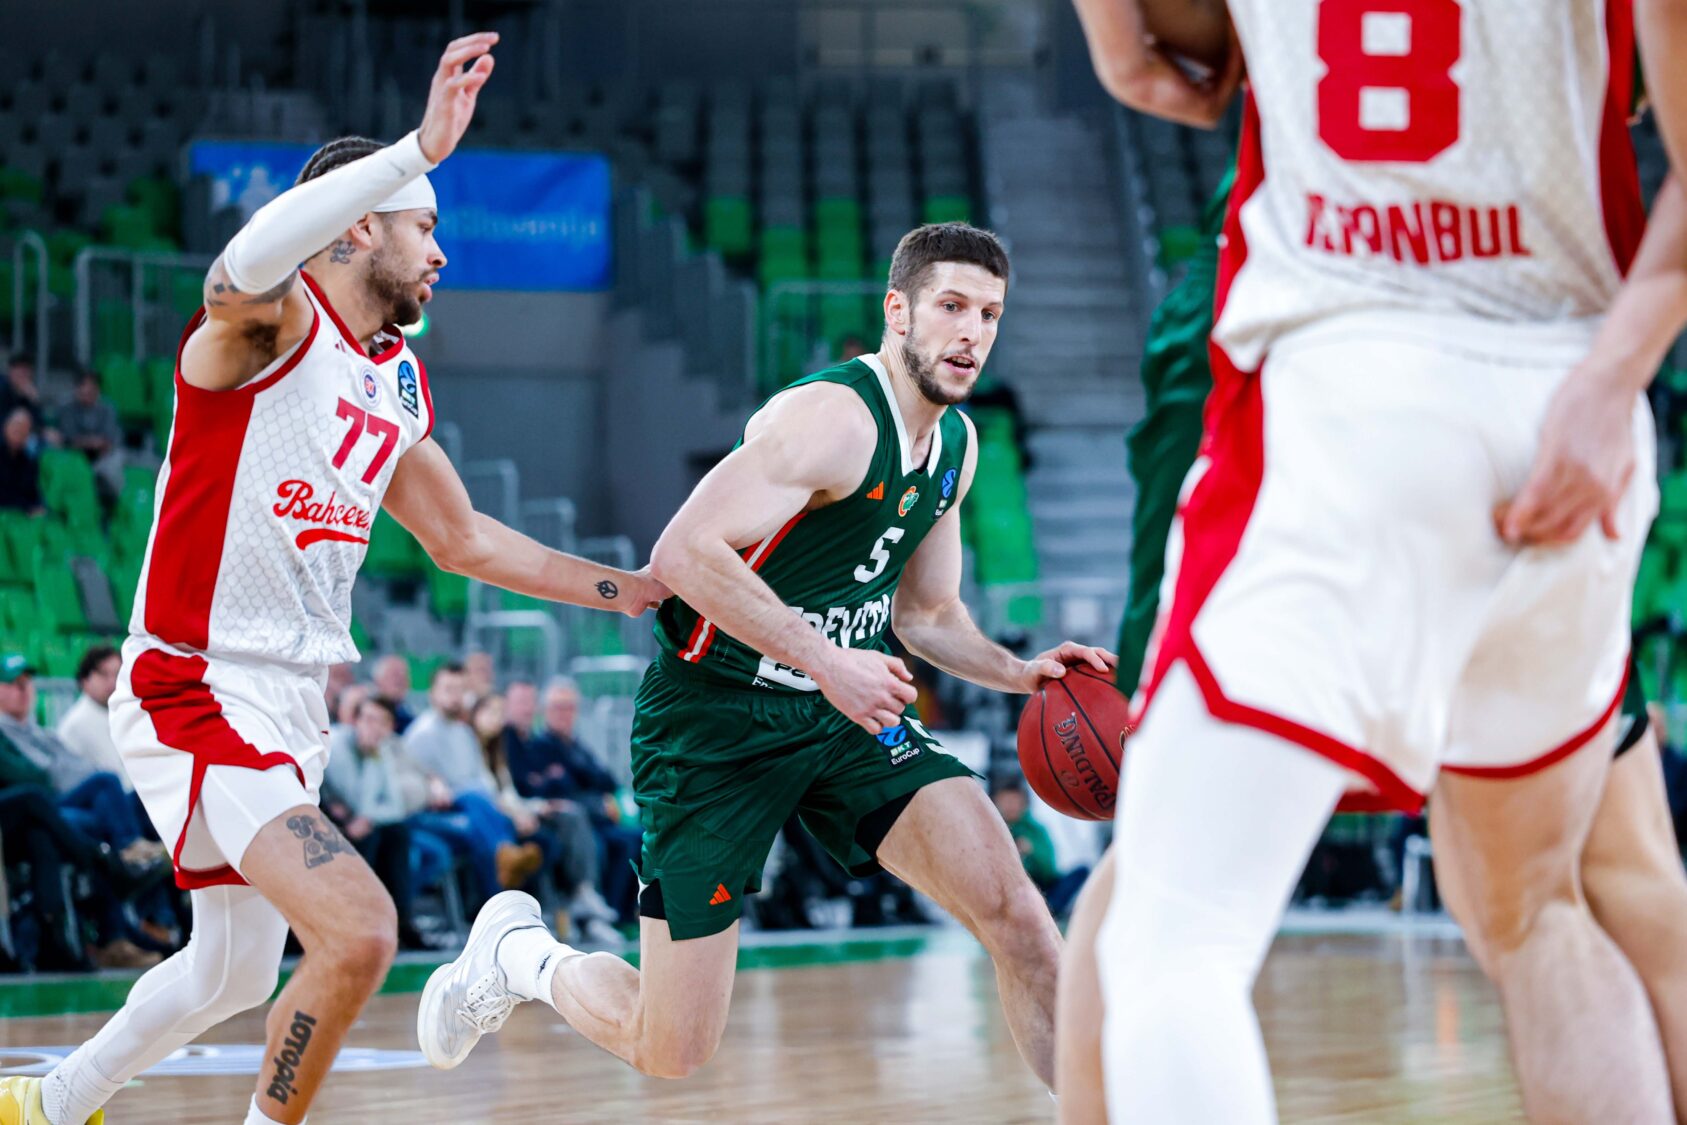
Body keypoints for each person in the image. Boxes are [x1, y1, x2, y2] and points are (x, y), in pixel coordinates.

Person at [0, 34, 668, 1125]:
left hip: (293, 703)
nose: (441, 252)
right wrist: (413, 149)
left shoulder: (395, 378)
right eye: (424, 224)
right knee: (358, 932)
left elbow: (464, 540)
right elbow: (240, 263)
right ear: (358, 225)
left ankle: (52, 1101)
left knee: (231, 971)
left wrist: (626, 588)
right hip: (198, 685)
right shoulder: (264, 328)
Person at [1065, 2, 1687, 1121]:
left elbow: (1171, 60)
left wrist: (1112, 32)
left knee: (1168, 931)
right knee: (1542, 910)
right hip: (1572, 407)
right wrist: (1611, 381)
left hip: (1352, 402)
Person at [419, 222, 1114, 1087]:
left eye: (989, 314)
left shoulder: (956, 447)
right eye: (950, 306)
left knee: (1020, 919)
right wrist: (829, 660)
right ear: (898, 311)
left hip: (842, 718)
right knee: (670, 1044)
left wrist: (1018, 672)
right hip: (714, 720)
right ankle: (520, 955)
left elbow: (927, 613)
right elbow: (682, 553)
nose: (971, 331)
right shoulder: (829, 419)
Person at [406, 663, 549, 901]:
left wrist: (512, 809)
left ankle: (505, 873)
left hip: (474, 806)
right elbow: (419, 789)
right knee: (476, 818)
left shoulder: (464, 733)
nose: (455, 697)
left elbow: (482, 779)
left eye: (460, 690)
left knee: (490, 814)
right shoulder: (420, 735)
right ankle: (501, 883)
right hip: (434, 813)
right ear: (433, 693)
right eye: (448, 689)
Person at [506, 678, 639, 930]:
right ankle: (596, 916)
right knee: (606, 844)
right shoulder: (539, 745)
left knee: (636, 838)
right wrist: (597, 805)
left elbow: (605, 780)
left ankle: (622, 915)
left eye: (569, 707)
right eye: (558, 707)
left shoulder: (576, 746)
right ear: (545, 711)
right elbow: (548, 789)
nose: (564, 714)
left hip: (591, 817)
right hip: (569, 820)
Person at [322, 696, 431, 950]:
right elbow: (354, 798)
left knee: (397, 833)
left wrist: (368, 816)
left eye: (382, 722)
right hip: (326, 820)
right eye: (369, 720)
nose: (374, 728)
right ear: (355, 721)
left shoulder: (381, 752)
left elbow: (395, 806)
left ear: (390, 727)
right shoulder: (336, 745)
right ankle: (358, 926)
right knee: (370, 839)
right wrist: (363, 815)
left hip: (357, 821)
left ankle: (400, 923)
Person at [992, 782, 1087, 920]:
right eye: (1006, 801)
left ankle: (1048, 910)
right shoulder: (993, 828)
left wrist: (1031, 852)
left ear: (1023, 802)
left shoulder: (1036, 829)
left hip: (1042, 888)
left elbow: (1049, 870)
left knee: (1081, 871)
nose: (1010, 806)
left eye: (1014, 800)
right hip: (1011, 891)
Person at [54, 645, 132, 792]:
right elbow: (117, 775)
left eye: (117, 674)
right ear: (85, 680)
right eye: (103, 674)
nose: (112, 682)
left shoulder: (113, 714)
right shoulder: (80, 722)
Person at [57, 369, 125, 496]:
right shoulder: (67, 408)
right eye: (83, 386)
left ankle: (111, 499)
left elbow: (108, 439)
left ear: (98, 390)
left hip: (102, 457)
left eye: (92, 387)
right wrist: (91, 442)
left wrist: (90, 442)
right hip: (75, 456)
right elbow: (69, 438)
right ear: (77, 389)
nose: (87, 391)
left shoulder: (107, 409)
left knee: (116, 459)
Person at [0, 407, 42, 513]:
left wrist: (34, 508)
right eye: (17, 425)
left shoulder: (29, 461)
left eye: (25, 428)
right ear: (6, 427)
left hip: (19, 514)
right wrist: (26, 507)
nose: (20, 431)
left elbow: (31, 493)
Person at [371, 653, 417, 734]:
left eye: (404, 675)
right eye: (394, 675)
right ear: (378, 680)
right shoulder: (367, 710)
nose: (400, 680)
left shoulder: (412, 714)